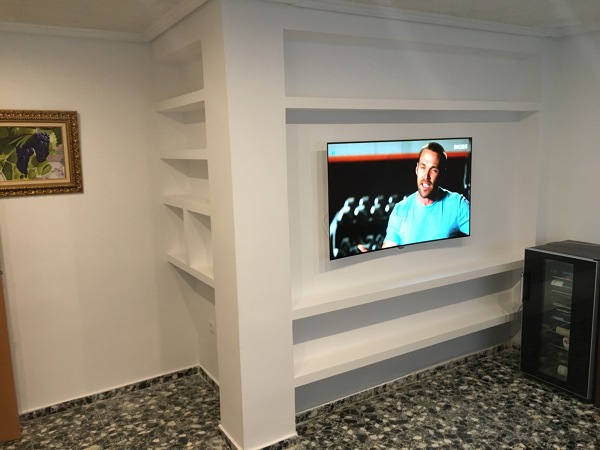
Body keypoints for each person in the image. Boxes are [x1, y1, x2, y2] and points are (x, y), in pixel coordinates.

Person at [382, 142, 470, 248]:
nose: (426, 176)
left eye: (433, 170)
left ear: (442, 174)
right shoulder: (400, 210)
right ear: (417, 169)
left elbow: (482, 237)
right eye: (423, 167)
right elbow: (389, 251)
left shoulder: (458, 205)